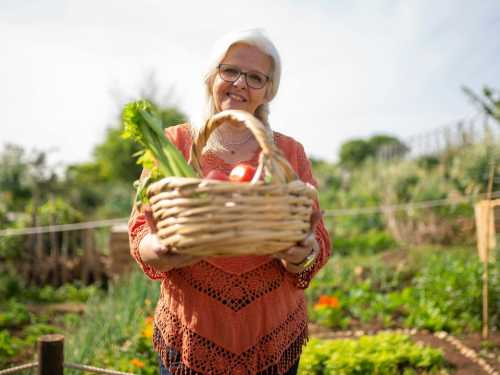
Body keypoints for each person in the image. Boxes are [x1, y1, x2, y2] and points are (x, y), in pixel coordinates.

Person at [128, 29, 331, 375]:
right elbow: (139, 230)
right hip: (191, 329)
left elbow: (318, 241)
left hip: (272, 330)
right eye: (230, 71)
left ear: (269, 90)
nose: (240, 83)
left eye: (255, 77)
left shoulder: (288, 152)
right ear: (212, 76)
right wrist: (158, 248)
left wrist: (300, 255)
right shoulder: (172, 143)